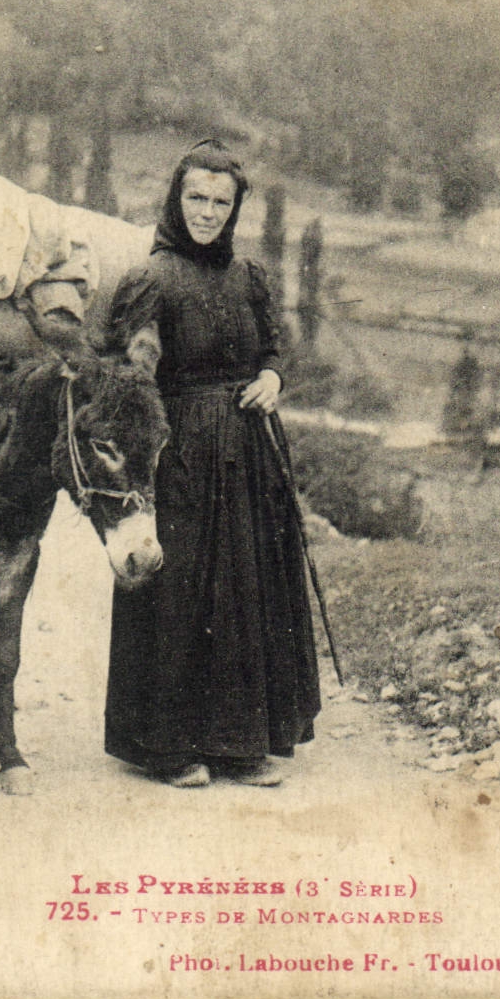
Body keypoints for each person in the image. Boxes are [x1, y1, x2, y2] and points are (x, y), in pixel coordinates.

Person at [96, 139, 321, 789]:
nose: (206, 212)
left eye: (221, 202)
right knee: (177, 595)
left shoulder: (248, 277)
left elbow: (272, 349)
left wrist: (272, 378)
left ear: (234, 209)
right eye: (196, 197)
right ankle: (169, 749)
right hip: (178, 458)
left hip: (247, 455)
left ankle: (238, 744)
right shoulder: (150, 279)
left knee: (244, 592)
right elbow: (128, 380)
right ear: (176, 198)